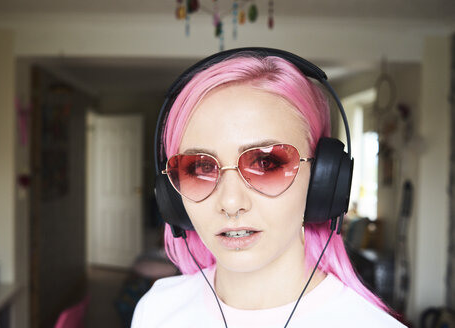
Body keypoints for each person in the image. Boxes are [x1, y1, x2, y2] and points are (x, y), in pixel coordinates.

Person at [131, 48, 406, 328]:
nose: (230, 202)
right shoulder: (155, 311)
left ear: (325, 178)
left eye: (265, 163)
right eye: (201, 167)